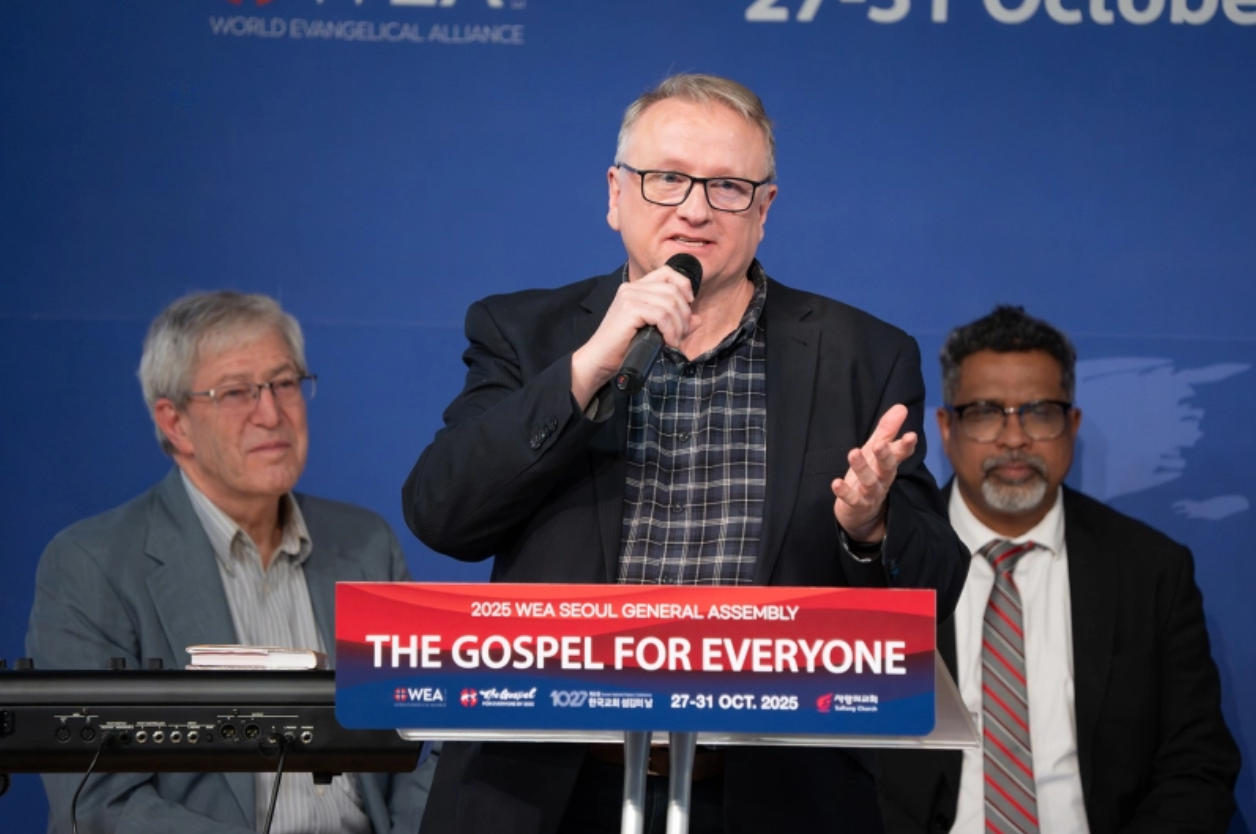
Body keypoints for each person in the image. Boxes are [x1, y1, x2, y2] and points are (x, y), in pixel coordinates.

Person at [403, 73, 969, 834]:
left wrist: (869, 527)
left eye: (728, 186)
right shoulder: (524, 333)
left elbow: (934, 585)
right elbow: (442, 514)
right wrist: (585, 369)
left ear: (764, 210)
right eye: (667, 178)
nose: (695, 209)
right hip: (547, 792)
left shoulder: (862, 354)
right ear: (616, 194)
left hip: (770, 795)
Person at [26, 291, 433, 833]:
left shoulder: (365, 544)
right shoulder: (92, 565)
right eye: (237, 392)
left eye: (284, 383)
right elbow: (98, 801)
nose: (271, 414)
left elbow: (422, 741)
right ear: (175, 422)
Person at [875, 306, 1240, 833]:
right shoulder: (885, 562)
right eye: (985, 412)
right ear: (946, 428)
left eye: (1039, 412)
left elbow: (1197, 766)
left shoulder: (1151, 571)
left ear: (1073, 425)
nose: (1014, 438)